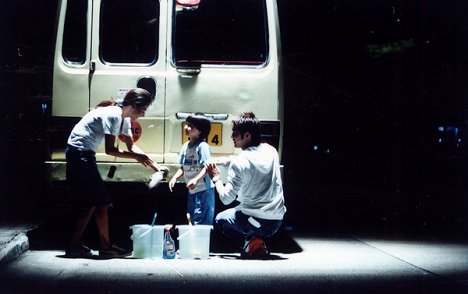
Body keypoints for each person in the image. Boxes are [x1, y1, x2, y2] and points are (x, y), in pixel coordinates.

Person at [65, 88, 163, 258]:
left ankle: (76, 245)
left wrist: (156, 167)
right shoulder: (113, 115)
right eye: (143, 110)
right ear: (134, 105)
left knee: (92, 203)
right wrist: (138, 157)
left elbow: (132, 147)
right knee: (101, 200)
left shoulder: (124, 119)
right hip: (79, 153)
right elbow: (111, 150)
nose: (143, 115)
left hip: (83, 153)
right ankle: (104, 246)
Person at [205, 112, 286, 259]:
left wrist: (216, 178)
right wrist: (231, 160)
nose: (232, 137)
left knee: (220, 220)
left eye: (235, 134)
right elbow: (253, 160)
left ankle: (250, 244)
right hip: (277, 222)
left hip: (255, 222)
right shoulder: (271, 151)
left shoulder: (240, 162)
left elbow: (225, 199)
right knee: (244, 211)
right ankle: (257, 243)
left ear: (247, 135)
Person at [169, 113, 215, 225]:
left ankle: (202, 241)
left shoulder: (202, 147)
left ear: (200, 131)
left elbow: (206, 167)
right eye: (186, 124)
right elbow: (183, 167)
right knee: (191, 217)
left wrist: (196, 179)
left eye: (191, 126)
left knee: (202, 219)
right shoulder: (185, 146)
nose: (186, 127)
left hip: (204, 190)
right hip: (192, 190)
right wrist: (174, 177)